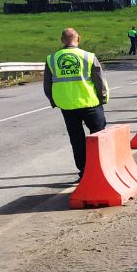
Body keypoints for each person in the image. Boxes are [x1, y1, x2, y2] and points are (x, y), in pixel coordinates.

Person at [44, 28, 109, 179]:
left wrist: (55, 101)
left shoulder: (52, 59)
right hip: (90, 103)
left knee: (76, 139)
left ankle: (84, 171)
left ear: (62, 40)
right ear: (78, 39)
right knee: (99, 136)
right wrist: (102, 98)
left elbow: (48, 85)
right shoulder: (88, 56)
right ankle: (103, 168)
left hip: (67, 106)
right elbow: (99, 81)